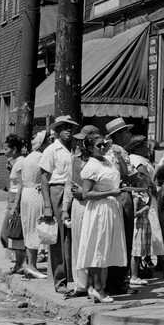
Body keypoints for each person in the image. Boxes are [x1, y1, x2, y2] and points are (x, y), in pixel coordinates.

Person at [76, 130, 130, 303]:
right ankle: (97, 288)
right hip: (99, 209)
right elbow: (86, 194)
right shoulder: (91, 166)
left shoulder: (106, 161)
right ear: (90, 148)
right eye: (98, 145)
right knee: (97, 247)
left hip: (112, 208)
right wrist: (111, 192)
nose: (103, 147)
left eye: (104, 144)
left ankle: (98, 286)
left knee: (106, 247)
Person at [126, 136, 164, 284]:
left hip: (149, 198)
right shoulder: (138, 159)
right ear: (137, 146)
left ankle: (160, 263)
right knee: (153, 229)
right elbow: (146, 178)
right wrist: (154, 189)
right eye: (144, 146)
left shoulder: (140, 158)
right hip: (147, 198)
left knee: (153, 231)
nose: (147, 148)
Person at [39, 115, 80, 293]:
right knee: (59, 237)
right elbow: (44, 179)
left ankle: (76, 279)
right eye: (64, 127)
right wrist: (48, 205)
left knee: (74, 235)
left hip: (73, 191)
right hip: (57, 190)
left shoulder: (74, 150)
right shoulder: (51, 150)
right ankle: (60, 281)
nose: (68, 130)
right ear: (57, 131)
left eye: (70, 127)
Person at [103, 117, 141, 295]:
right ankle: (119, 281)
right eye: (127, 132)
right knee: (124, 238)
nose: (130, 135)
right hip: (123, 193)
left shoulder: (108, 151)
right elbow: (133, 176)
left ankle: (112, 280)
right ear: (118, 135)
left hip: (110, 196)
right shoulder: (119, 152)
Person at [61, 125, 99, 298]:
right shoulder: (74, 159)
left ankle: (96, 284)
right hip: (79, 206)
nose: (78, 143)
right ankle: (81, 284)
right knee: (78, 243)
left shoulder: (101, 160)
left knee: (94, 244)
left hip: (96, 204)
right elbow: (69, 185)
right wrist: (65, 209)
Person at [5, 134, 45, 279]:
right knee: (24, 230)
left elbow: (23, 183)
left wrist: (16, 204)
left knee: (24, 229)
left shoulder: (25, 160)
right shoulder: (35, 158)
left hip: (23, 196)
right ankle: (26, 264)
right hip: (25, 195)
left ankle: (26, 264)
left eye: (6, 149)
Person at [18, 131, 52, 280]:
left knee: (29, 225)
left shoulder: (28, 158)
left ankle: (30, 263)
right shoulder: (41, 157)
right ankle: (31, 265)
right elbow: (45, 177)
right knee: (36, 226)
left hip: (26, 192)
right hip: (36, 194)